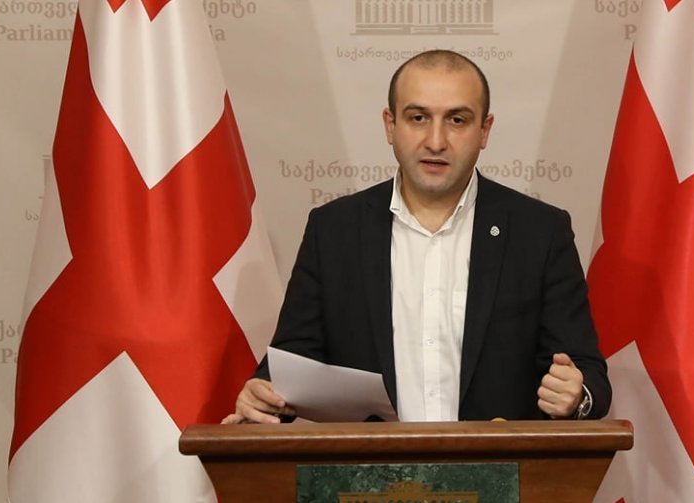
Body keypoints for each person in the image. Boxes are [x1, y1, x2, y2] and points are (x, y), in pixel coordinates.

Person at [223, 50, 610, 424]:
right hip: (370, 468)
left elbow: (588, 374)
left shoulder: (540, 232)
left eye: (457, 120)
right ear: (390, 125)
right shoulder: (334, 230)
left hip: (502, 466)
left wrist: (578, 396)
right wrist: (264, 394)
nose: (436, 141)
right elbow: (293, 363)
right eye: (418, 117)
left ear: (484, 130)